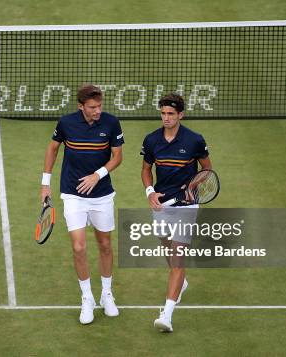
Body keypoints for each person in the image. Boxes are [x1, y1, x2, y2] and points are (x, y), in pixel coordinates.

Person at [41, 84, 124, 324]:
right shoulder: (66, 123)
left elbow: (118, 157)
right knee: (78, 247)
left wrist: (97, 175)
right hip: (73, 193)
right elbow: (53, 149)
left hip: (102, 194)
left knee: (105, 244)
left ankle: (107, 294)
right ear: (81, 107)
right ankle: (87, 298)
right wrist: (45, 184)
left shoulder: (111, 123)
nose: (97, 111)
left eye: (99, 106)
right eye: (92, 107)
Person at [140, 93, 212, 332]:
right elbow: (146, 169)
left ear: (180, 115)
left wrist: (192, 187)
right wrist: (150, 192)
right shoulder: (151, 140)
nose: (166, 118)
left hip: (187, 205)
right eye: (163, 114)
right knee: (167, 247)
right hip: (162, 203)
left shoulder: (194, 140)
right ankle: (181, 283)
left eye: (171, 114)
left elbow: (207, 170)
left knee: (178, 258)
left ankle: (167, 314)